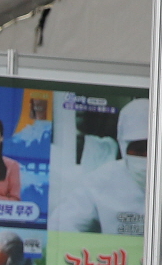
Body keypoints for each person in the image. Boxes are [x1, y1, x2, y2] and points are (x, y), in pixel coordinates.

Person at [50, 96, 147, 235]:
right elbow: (62, 225)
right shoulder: (102, 180)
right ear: (123, 146)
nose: (146, 156)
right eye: (138, 149)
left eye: (153, 149)